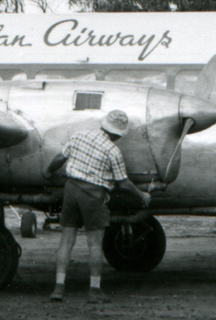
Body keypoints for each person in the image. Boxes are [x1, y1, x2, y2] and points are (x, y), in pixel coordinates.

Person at [45, 108, 151, 302]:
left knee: (66, 240)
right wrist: (141, 195)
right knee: (94, 243)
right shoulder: (113, 151)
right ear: (118, 134)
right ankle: (94, 290)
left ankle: (58, 289)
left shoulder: (79, 136)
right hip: (93, 195)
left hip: (71, 189)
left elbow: (60, 157)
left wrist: (48, 171)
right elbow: (123, 182)